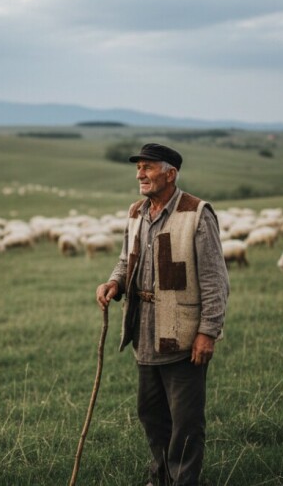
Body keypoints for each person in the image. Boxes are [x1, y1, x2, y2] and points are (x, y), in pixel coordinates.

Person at [96, 142, 230, 486]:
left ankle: (184, 481)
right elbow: (128, 260)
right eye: (138, 167)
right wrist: (114, 283)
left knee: (185, 422)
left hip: (182, 336)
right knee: (151, 416)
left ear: (171, 174)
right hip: (144, 333)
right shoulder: (136, 212)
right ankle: (162, 478)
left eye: (149, 167)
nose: (140, 173)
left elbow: (215, 279)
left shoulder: (197, 214)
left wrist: (208, 331)